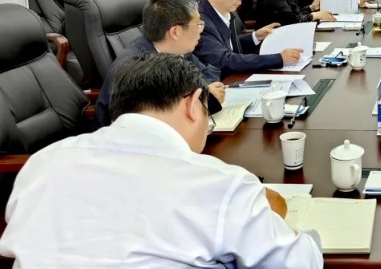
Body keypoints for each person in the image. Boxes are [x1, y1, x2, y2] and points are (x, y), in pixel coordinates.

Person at [0, 54, 324, 267]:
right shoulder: (219, 185)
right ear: (193, 103)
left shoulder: (41, 165)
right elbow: (299, 263)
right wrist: (295, 230)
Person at [95, 0, 226, 127]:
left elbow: (208, 72)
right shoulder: (139, 70)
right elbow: (162, 119)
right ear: (175, 32)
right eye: (198, 24)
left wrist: (207, 89)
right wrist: (206, 98)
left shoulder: (177, 49)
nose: (201, 30)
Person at [195, 0, 303, 76]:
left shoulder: (225, 10)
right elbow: (224, 60)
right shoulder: (199, 22)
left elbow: (227, 45)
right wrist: (278, 58)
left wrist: (255, 37)